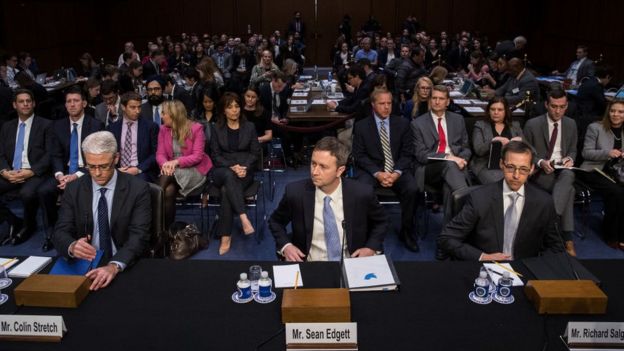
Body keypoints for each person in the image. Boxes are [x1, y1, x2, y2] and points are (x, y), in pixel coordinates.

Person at [53, 131, 151, 291]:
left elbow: (139, 236)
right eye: (91, 166)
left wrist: (114, 266)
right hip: (85, 263)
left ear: (116, 158)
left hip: (123, 261)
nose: (97, 173)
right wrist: (72, 246)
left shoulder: (137, 189)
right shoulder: (74, 188)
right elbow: (60, 230)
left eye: (104, 166)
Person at [438, 141, 564, 261]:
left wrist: (536, 266)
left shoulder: (544, 202)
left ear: (531, 169)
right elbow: (447, 238)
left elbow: (556, 246)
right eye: (510, 167)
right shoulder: (479, 198)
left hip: (526, 269)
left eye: (523, 169)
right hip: (485, 267)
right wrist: (482, 257)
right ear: (501, 164)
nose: (516, 175)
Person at [269, 136, 387, 261]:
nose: (315, 172)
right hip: (310, 263)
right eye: (313, 164)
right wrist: (286, 246)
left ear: (339, 171)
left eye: (323, 167)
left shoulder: (362, 193)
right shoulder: (295, 192)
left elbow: (381, 222)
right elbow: (275, 222)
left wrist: (370, 247)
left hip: (352, 262)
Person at [352, 89, 420, 252]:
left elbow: (407, 153)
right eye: (382, 104)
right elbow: (359, 156)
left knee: (412, 189)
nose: (386, 107)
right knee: (363, 191)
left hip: (397, 169)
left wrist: (396, 172)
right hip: (372, 171)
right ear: (373, 105)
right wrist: (378, 173)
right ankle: (370, 237)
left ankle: (407, 232)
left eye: (389, 103)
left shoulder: (403, 123)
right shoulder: (361, 126)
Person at [523, 89, 577, 256]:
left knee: (568, 174)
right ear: (546, 105)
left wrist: (570, 158)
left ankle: (549, 225)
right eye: (554, 106)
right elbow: (526, 153)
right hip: (541, 171)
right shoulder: (533, 124)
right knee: (570, 190)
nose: (558, 111)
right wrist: (540, 162)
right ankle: (567, 238)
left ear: (566, 106)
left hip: (562, 170)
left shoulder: (571, 124)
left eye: (562, 107)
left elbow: (573, 150)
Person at [0, 89, 56, 246]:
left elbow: (50, 154)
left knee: (27, 193)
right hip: (11, 172)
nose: (25, 104)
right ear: (14, 105)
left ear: (33, 103)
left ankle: (28, 225)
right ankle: (12, 220)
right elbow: (1, 153)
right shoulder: (7, 127)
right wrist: (4, 171)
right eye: (21, 101)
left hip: (35, 172)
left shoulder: (46, 125)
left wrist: (30, 172)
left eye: (28, 101)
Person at [209, 93, 261, 255]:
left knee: (226, 191)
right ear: (224, 111)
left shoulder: (249, 127)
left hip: (245, 171)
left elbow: (255, 152)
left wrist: (243, 166)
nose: (234, 110)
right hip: (222, 170)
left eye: (237, 106)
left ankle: (226, 235)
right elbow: (215, 155)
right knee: (228, 177)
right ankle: (244, 217)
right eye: (230, 107)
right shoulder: (216, 128)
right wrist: (232, 166)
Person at [411, 85, 471, 224]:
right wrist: (450, 158)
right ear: (430, 100)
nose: (437, 102)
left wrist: (462, 160)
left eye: (441, 99)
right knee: (449, 164)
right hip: (430, 169)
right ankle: (467, 200)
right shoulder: (417, 124)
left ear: (448, 102)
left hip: (455, 169)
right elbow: (421, 155)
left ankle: (448, 234)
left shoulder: (458, 119)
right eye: (434, 98)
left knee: (449, 188)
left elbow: (466, 147)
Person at [157, 100, 212, 229]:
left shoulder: (196, 128)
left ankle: (151, 213)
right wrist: (165, 164)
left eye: (164, 113)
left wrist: (175, 162)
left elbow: (197, 156)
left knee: (166, 178)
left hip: (194, 170)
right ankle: (167, 233)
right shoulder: (163, 130)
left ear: (174, 115)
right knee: (169, 191)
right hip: (171, 170)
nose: (161, 116)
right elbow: (160, 154)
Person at [577, 101, 624, 249]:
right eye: (613, 111)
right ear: (608, 112)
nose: (616, 115)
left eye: (620, 112)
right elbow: (586, 153)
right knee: (616, 192)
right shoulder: (595, 128)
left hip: (617, 170)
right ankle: (611, 235)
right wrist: (607, 153)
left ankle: (621, 234)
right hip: (594, 169)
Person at [470, 97, 523, 184]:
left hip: (511, 165)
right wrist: (493, 141)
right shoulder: (480, 125)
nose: (496, 112)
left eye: (500, 109)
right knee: (500, 182)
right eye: (492, 109)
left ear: (506, 111)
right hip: (486, 165)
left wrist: (521, 142)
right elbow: (479, 150)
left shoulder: (515, 126)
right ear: (488, 110)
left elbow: (530, 149)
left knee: (520, 180)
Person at [109, 92, 159, 182]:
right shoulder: (113, 128)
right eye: (133, 107)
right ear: (123, 107)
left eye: (139, 107)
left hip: (141, 171)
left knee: (140, 183)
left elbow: (156, 154)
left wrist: (138, 169)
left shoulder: (150, 127)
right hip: (119, 171)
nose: (137, 111)